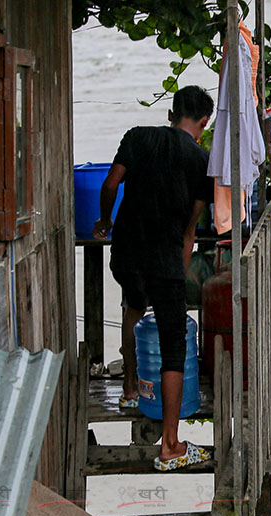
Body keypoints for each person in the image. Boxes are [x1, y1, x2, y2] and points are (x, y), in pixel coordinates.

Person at [93, 85, 214, 471]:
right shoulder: (202, 161)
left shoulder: (137, 136)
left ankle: (130, 389)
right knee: (173, 345)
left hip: (127, 251)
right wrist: (177, 273)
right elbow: (189, 231)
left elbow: (110, 184)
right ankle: (171, 446)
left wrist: (105, 221)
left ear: (171, 113)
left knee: (132, 307)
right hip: (165, 260)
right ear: (205, 122)